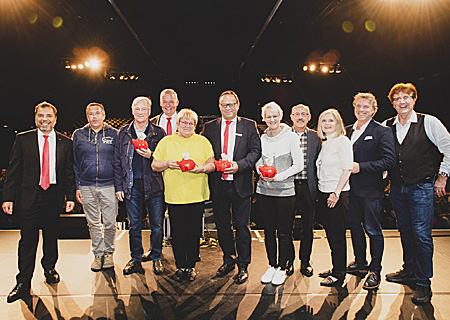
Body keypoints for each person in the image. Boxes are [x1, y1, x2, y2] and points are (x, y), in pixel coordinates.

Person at [383, 83, 450, 305]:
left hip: (421, 186)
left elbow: (448, 147)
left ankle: (424, 283)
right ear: (392, 103)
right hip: (397, 188)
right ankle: (409, 270)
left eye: (406, 98)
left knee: (421, 234)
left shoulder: (428, 122)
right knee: (405, 230)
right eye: (397, 99)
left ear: (414, 100)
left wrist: (443, 176)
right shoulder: (388, 125)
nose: (401, 102)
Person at [2, 101, 76, 303]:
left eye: (49, 116)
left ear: (55, 118)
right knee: (27, 241)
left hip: (53, 196)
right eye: (41, 116)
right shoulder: (22, 139)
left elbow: (68, 172)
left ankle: (50, 268)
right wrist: (8, 197)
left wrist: (70, 196)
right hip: (29, 197)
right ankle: (23, 283)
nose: (45, 119)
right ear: (35, 118)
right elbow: (13, 170)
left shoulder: (65, 142)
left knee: (51, 237)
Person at [202, 90, 261, 284]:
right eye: (224, 105)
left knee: (242, 227)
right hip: (218, 185)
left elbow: (255, 152)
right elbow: (205, 151)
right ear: (219, 107)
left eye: (231, 104)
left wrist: (239, 165)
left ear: (238, 105)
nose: (228, 108)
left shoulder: (250, 125)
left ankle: (243, 264)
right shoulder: (209, 127)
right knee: (222, 226)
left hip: (241, 184)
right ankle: (228, 259)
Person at [152, 109, 215, 281]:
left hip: (197, 195)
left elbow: (212, 164)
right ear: (177, 124)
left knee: (194, 233)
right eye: (184, 122)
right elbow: (154, 165)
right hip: (174, 195)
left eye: (191, 123)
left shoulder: (203, 141)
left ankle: (191, 266)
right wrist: (167, 163)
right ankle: (180, 266)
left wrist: (201, 168)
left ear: (195, 125)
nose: (187, 126)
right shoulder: (166, 142)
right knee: (177, 234)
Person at [345, 93, 396, 290]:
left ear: (374, 109)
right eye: (358, 106)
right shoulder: (347, 131)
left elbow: (389, 161)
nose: (362, 110)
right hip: (350, 190)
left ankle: (375, 270)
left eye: (366, 107)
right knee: (355, 227)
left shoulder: (382, 131)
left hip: (370, 190)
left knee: (373, 230)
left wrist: (361, 167)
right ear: (354, 107)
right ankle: (360, 263)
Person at [114, 96, 166, 276]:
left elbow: (163, 159)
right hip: (131, 185)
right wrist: (119, 187)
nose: (140, 112)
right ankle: (136, 259)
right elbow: (117, 162)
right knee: (134, 225)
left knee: (157, 225)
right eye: (137, 109)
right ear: (132, 110)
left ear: (150, 111)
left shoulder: (159, 132)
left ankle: (156, 257)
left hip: (154, 184)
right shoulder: (123, 133)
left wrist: (150, 154)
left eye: (144, 109)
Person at [256, 102, 304, 286]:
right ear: (264, 119)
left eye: (275, 116)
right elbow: (258, 160)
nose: (272, 120)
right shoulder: (262, 138)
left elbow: (298, 165)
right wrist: (261, 172)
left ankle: (284, 267)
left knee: (284, 232)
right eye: (268, 117)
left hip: (285, 192)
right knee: (268, 231)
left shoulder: (291, 137)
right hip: (264, 191)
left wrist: (277, 177)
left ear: (280, 116)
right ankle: (272, 265)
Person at [72, 102, 118, 272]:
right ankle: (98, 254)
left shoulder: (114, 134)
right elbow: (75, 163)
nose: (94, 116)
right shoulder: (78, 134)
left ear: (104, 115)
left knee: (110, 223)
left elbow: (119, 162)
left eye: (97, 113)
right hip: (86, 185)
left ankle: (109, 253)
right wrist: (77, 185)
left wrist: (119, 186)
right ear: (87, 116)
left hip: (109, 185)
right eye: (90, 114)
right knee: (93, 223)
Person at [316, 108, 353, 287]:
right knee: (330, 234)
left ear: (338, 123)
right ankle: (336, 267)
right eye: (324, 121)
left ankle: (339, 274)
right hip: (324, 193)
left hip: (337, 194)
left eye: (331, 121)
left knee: (337, 236)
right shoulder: (324, 144)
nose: (327, 124)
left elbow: (347, 169)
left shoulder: (342, 141)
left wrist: (336, 193)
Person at [289, 104, 321, 277]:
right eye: (297, 114)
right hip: (288, 186)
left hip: (308, 188)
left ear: (309, 117)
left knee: (307, 227)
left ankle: (305, 261)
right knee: (286, 227)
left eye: (304, 114)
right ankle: (288, 260)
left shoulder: (316, 137)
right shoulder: (284, 135)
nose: (300, 117)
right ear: (291, 116)